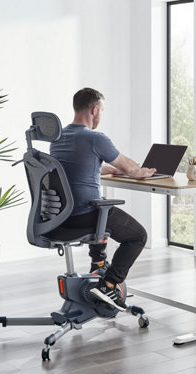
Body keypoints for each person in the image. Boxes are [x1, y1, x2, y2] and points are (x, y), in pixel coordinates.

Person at [50, 88, 156, 311]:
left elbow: (76, 169)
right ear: (94, 109)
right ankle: (108, 284)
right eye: (102, 110)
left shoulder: (58, 139)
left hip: (60, 217)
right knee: (137, 236)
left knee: (103, 208)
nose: (101, 115)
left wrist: (109, 169)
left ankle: (98, 265)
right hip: (85, 215)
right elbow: (131, 168)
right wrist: (139, 171)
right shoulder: (95, 138)